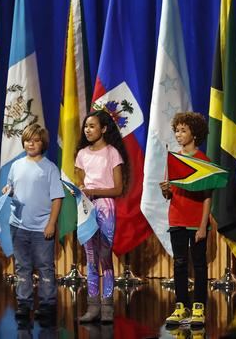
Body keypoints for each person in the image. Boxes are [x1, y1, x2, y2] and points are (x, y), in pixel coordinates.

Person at [2, 124, 65, 321]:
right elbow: (12, 187)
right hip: (18, 226)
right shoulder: (16, 166)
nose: (31, 143)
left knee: (45, 266)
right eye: (28, 140)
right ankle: (23, 303)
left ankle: (47, 304)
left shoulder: (50, 168)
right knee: (22, 266)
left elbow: (57, 198)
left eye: (36, 140)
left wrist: (51, 224)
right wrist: (8, 190)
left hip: (41, 228)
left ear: (43, 144)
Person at [75, 110, 129, 323]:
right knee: (90, 258)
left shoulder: (112, 153)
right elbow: (81, 184)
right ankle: (93, 307)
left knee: (105, 256)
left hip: (105, 207)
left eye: (92, 126)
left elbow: (117, 189)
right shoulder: (81, 154)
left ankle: (107, 307)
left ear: (104, 129)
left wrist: (95, 192)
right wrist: (79, 191)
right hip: (87, 208)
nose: (88, 130)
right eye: (86, 126)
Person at [160, 112, 211, 328]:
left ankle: (199, 307)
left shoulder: (203, 160)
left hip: (196, 220)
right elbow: (169, 193)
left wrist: (203, 225)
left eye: (183, 130)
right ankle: (181, 306)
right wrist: (165, 190)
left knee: (198, 265)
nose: (179, 135)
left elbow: (208, 196)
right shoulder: (173, 158)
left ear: (195, 133)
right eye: (177, 131)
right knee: (179, 263)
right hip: (176, 219)